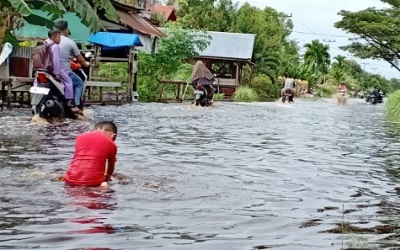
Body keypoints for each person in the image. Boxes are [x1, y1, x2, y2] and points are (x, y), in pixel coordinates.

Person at [64, 121, 118, 187]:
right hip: (93, 181)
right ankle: (103, 187)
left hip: (70, 179)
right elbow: (111, 167)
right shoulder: (111, 144)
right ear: (113, 136)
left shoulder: (80, 137)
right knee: (105, 185)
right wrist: (108, 176)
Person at [54, 20, 90, 111]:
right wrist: (86, 64)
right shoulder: (69, 42)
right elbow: (80, 59)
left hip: (48, 71)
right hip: (63, 71)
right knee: (79, 83)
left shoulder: (47, 41)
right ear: (66, 30)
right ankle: (76, 104)